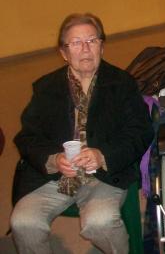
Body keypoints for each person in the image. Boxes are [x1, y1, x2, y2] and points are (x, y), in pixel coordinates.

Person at [10, 13, 154, 254]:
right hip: (55, 178)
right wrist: (54, 159)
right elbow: (27, 137)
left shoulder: (122, 84)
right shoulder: (46, 87)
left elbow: (140, 131)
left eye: (92, 40)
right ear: (64, 53)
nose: (85, 48)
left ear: (102, 46)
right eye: (76, 43)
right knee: (23, 222)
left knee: (100, 222)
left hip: (104, 176)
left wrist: (102, 155)